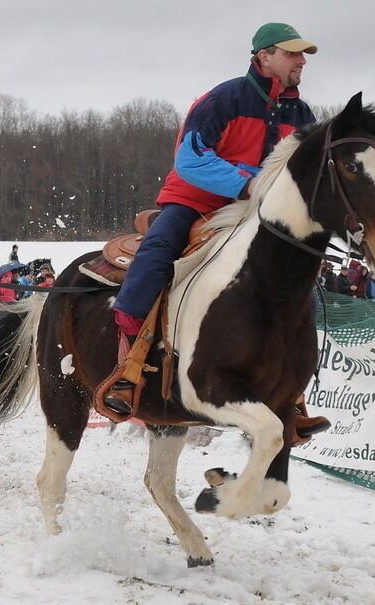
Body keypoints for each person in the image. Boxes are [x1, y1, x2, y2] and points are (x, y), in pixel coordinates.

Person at [103, 23, 328, 441]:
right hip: (196, 200)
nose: (301, 61)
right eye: (292, 53)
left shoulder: (302, 115)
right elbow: (191, 160)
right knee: (157, 253)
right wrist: (250, 183)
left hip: (255, 211)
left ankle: (290, 393)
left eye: (303, 55)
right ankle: (128, 369)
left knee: (297, 284)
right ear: (264, 57)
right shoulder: (222, 100)